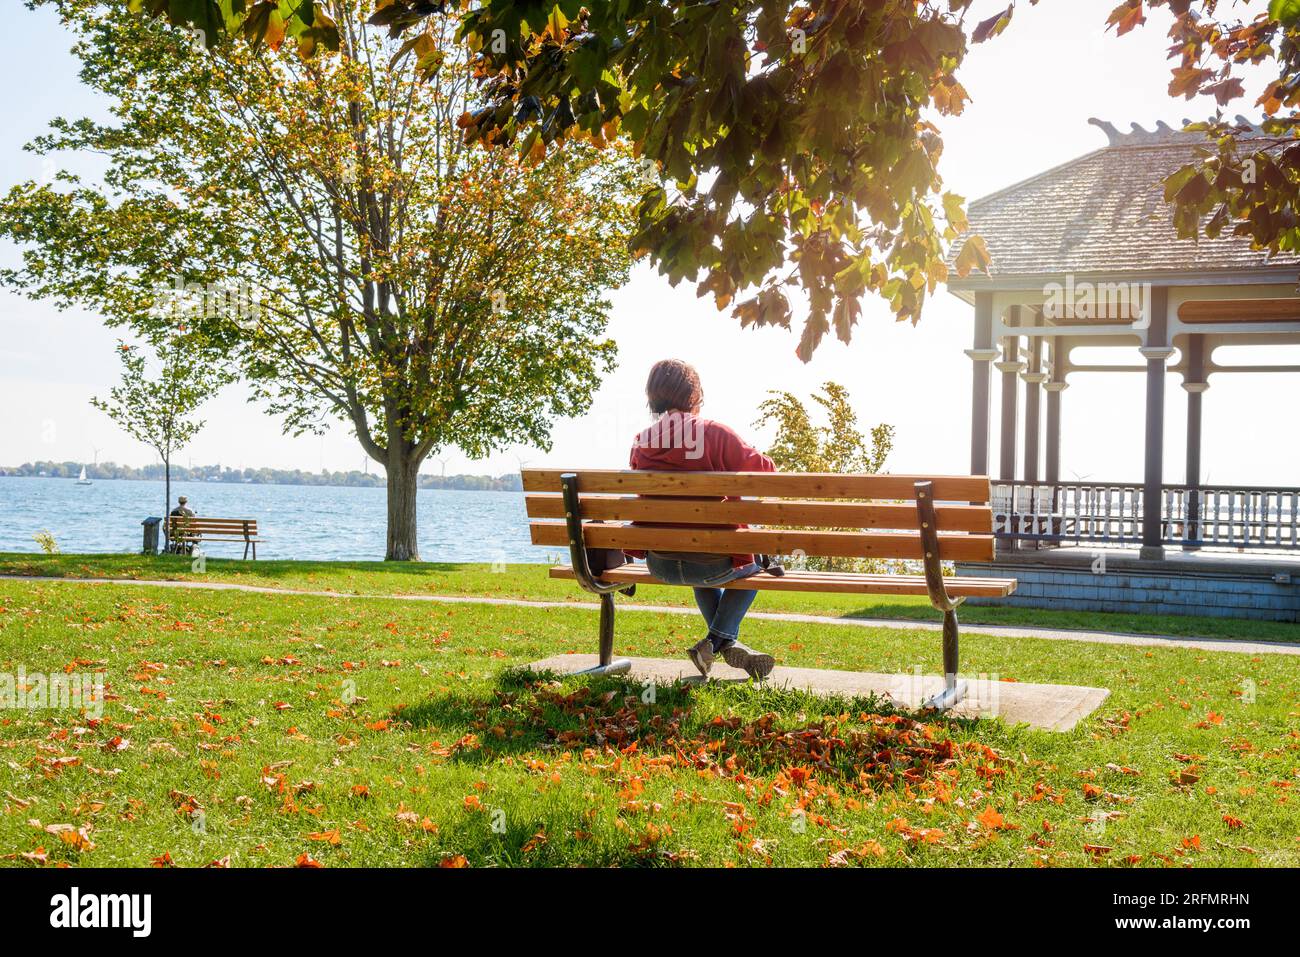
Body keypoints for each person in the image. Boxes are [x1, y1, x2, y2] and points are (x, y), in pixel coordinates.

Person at [628, 359, 777, 680]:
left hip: (661, 562)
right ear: (693, 394)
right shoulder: (715, 433)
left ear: (652, 396)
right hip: (712, 563)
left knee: (699, 564)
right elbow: (766, 473)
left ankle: (720, 644)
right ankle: (716, 640)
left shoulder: (642, 441)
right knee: (757, 568)